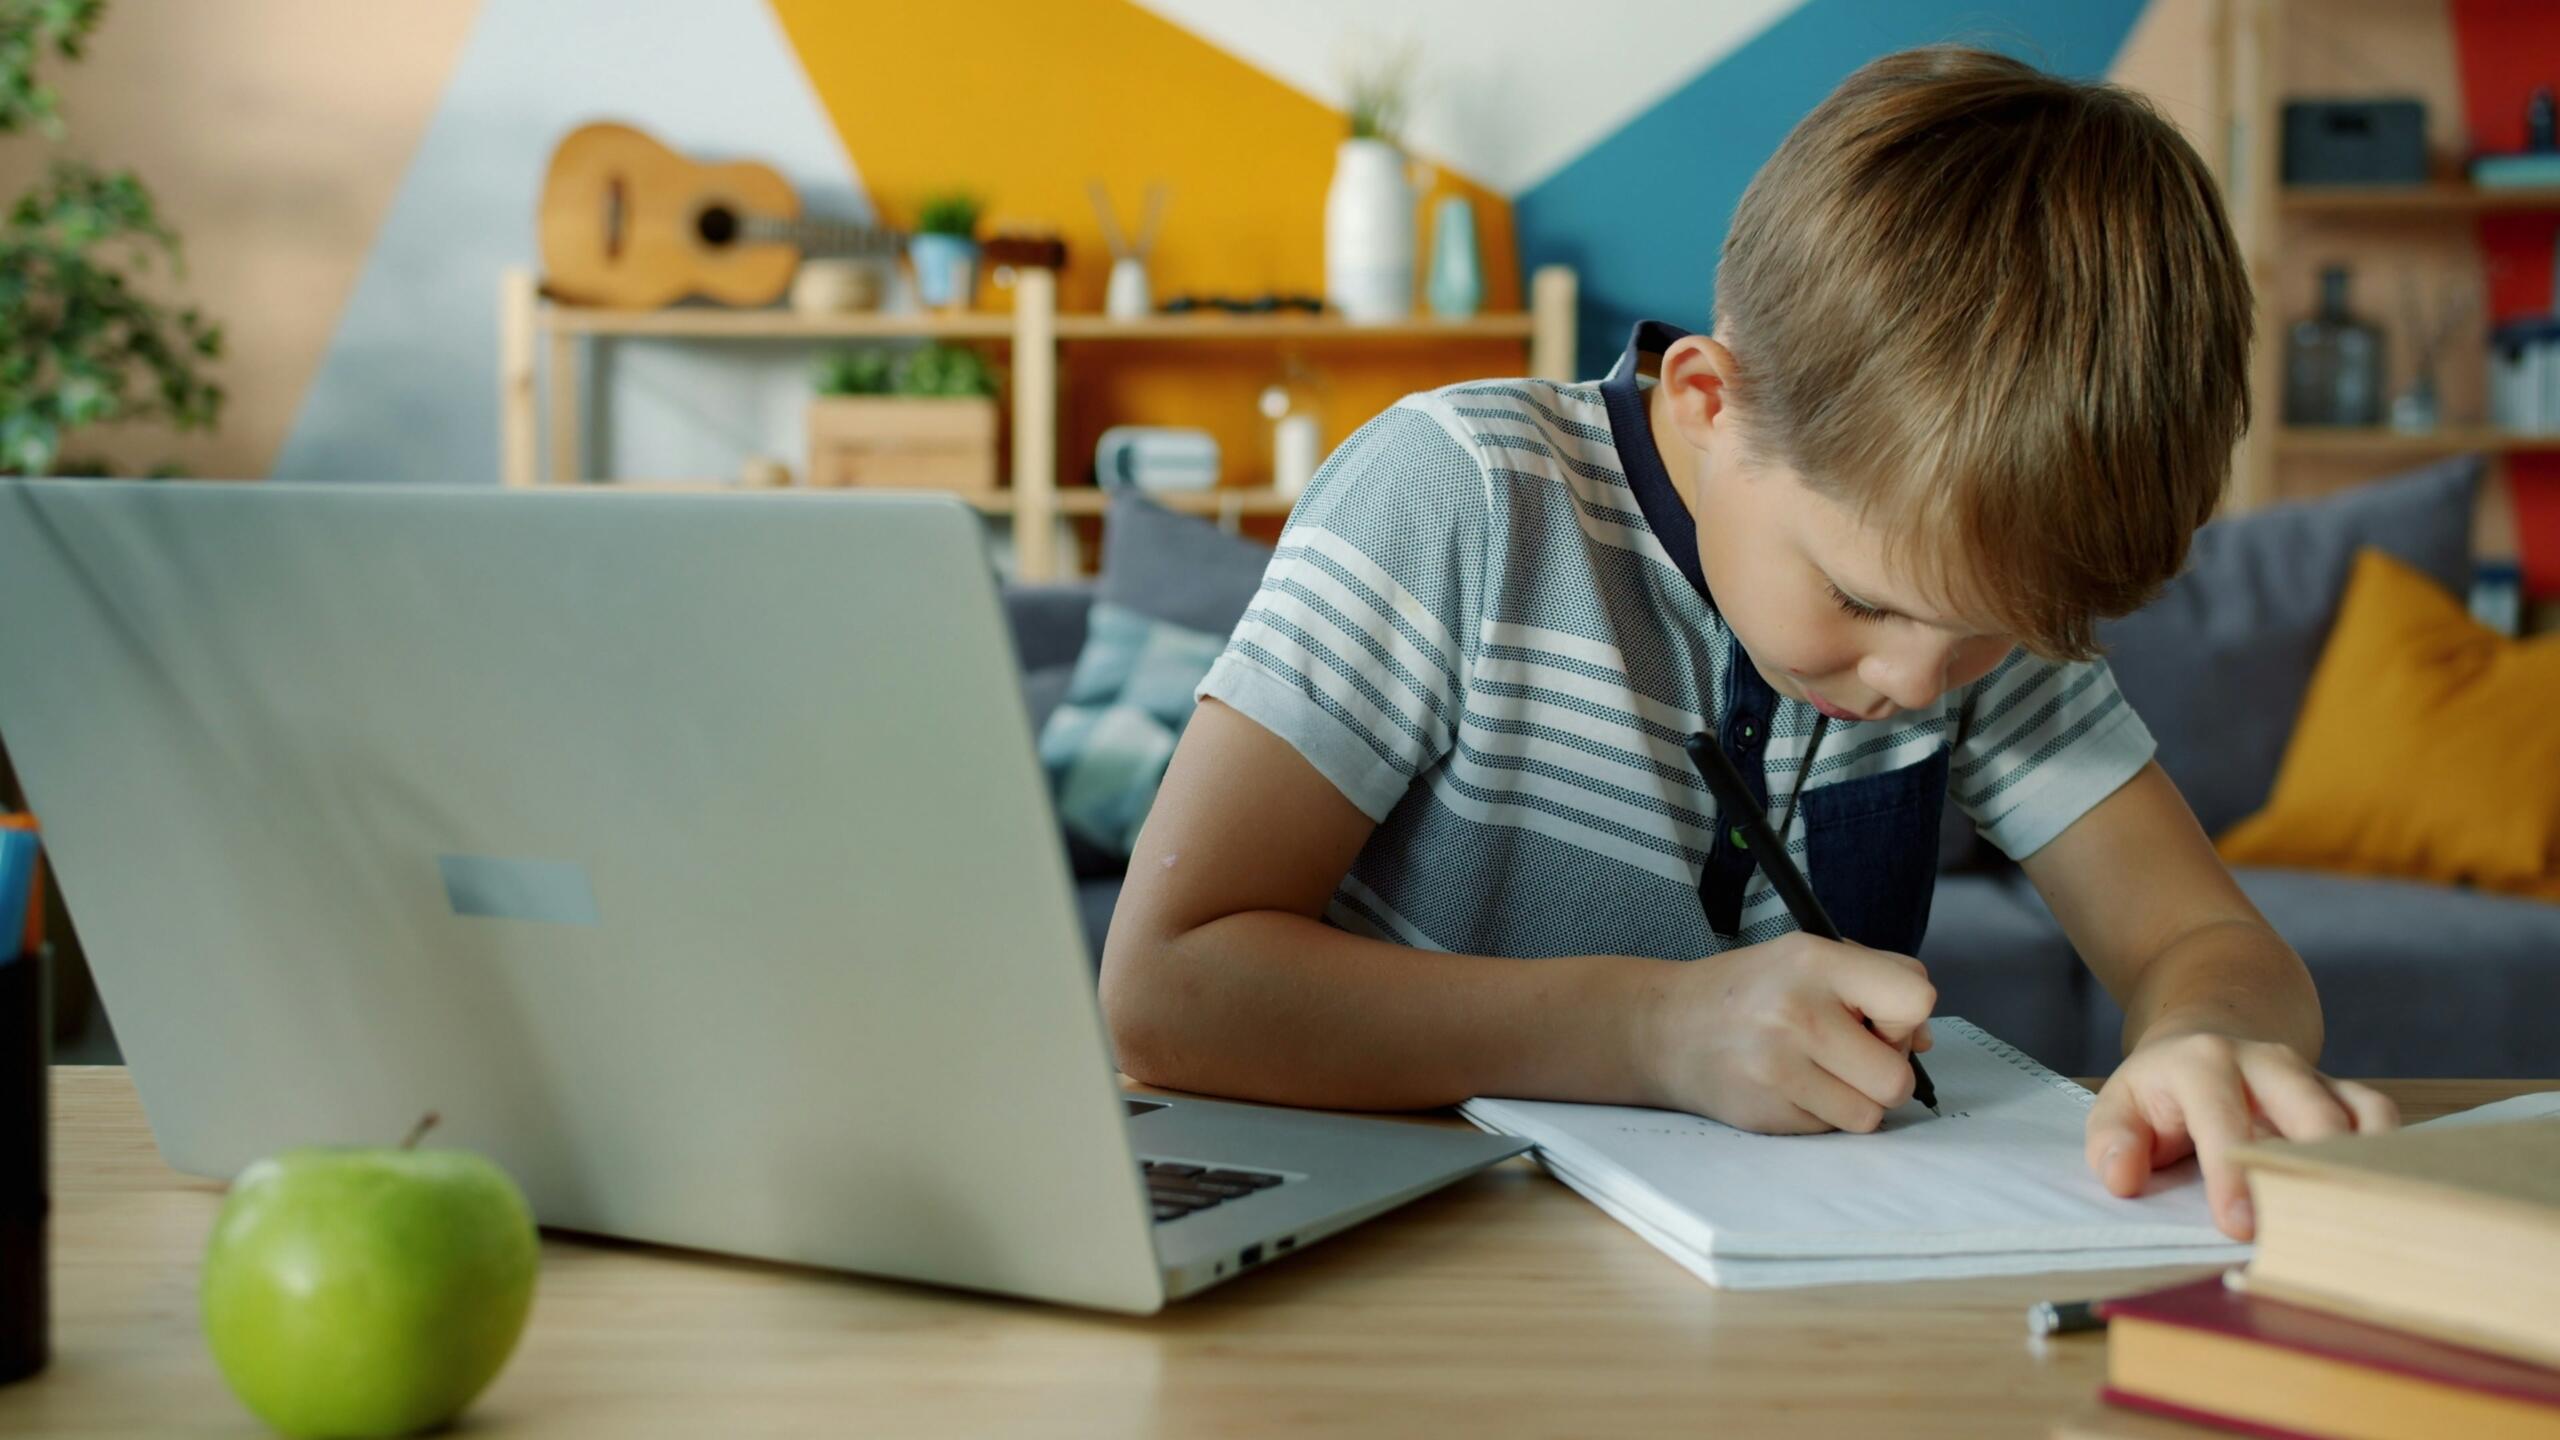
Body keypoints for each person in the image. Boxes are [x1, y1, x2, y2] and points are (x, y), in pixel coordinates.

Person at [1099, 46, 2397, 1242]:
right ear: (1710, 402)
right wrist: (1652, 1032)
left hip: (1778, 1311)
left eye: (1989, 639)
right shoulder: (1458, 500)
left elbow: (2211, 948)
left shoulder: (1960, 604)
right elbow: (1166, 990)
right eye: (1861, 600)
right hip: (1400, 1265)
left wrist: (2207, 1039)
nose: (1911, 685)